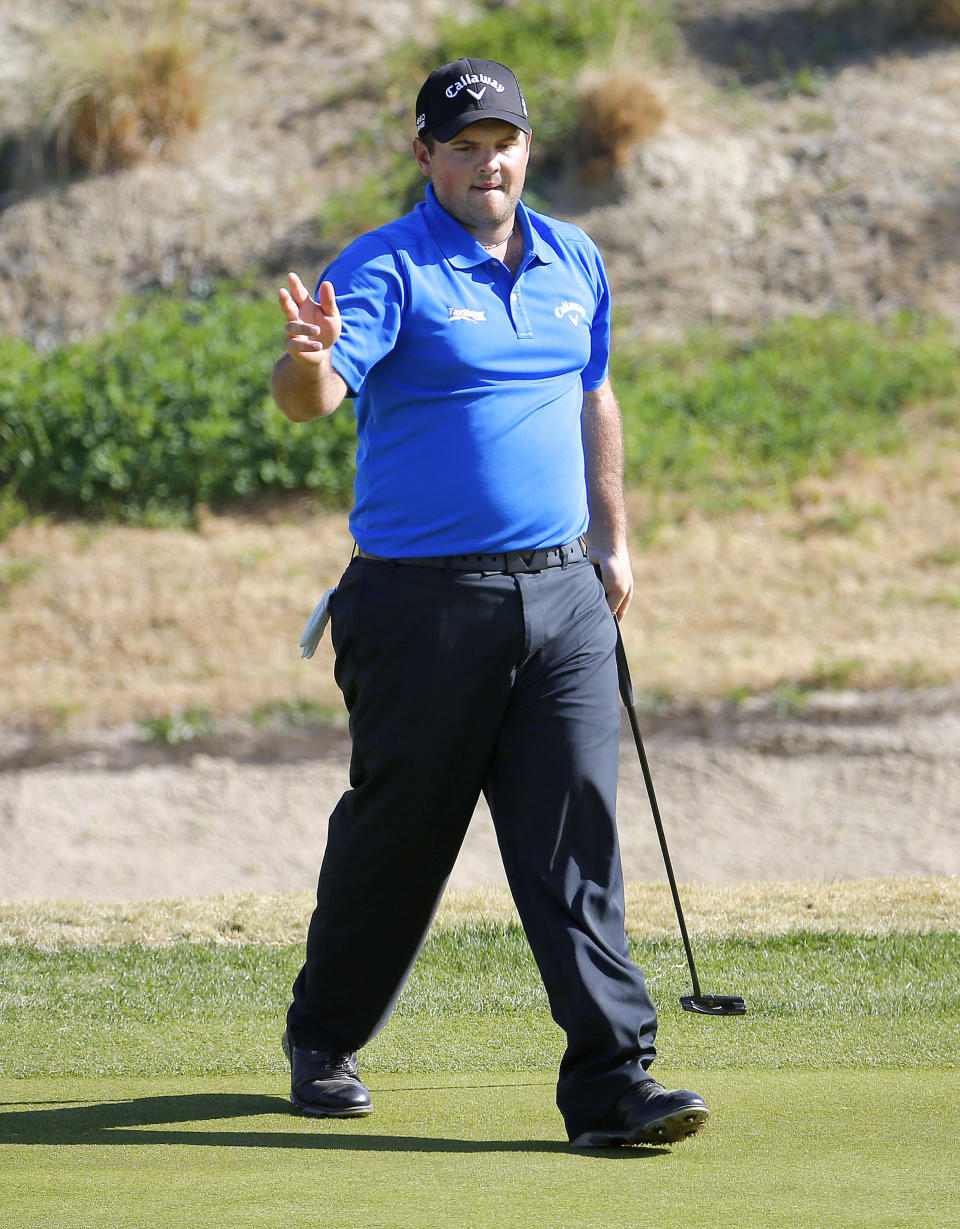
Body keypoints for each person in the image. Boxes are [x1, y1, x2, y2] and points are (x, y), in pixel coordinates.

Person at [270, 57, 709, 1148]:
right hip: (423, 605)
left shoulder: (575, 257)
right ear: (426, 155)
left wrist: (614, 537)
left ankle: (614, 1084)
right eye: (462, 145)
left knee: (574, 840)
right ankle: (324, 1034)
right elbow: (312, 398)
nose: (486, 161)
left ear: (525, 148)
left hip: (562, 594)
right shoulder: (386, 268)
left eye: (501, 141)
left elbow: (591, 391)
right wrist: (307, 360)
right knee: (401, 834)